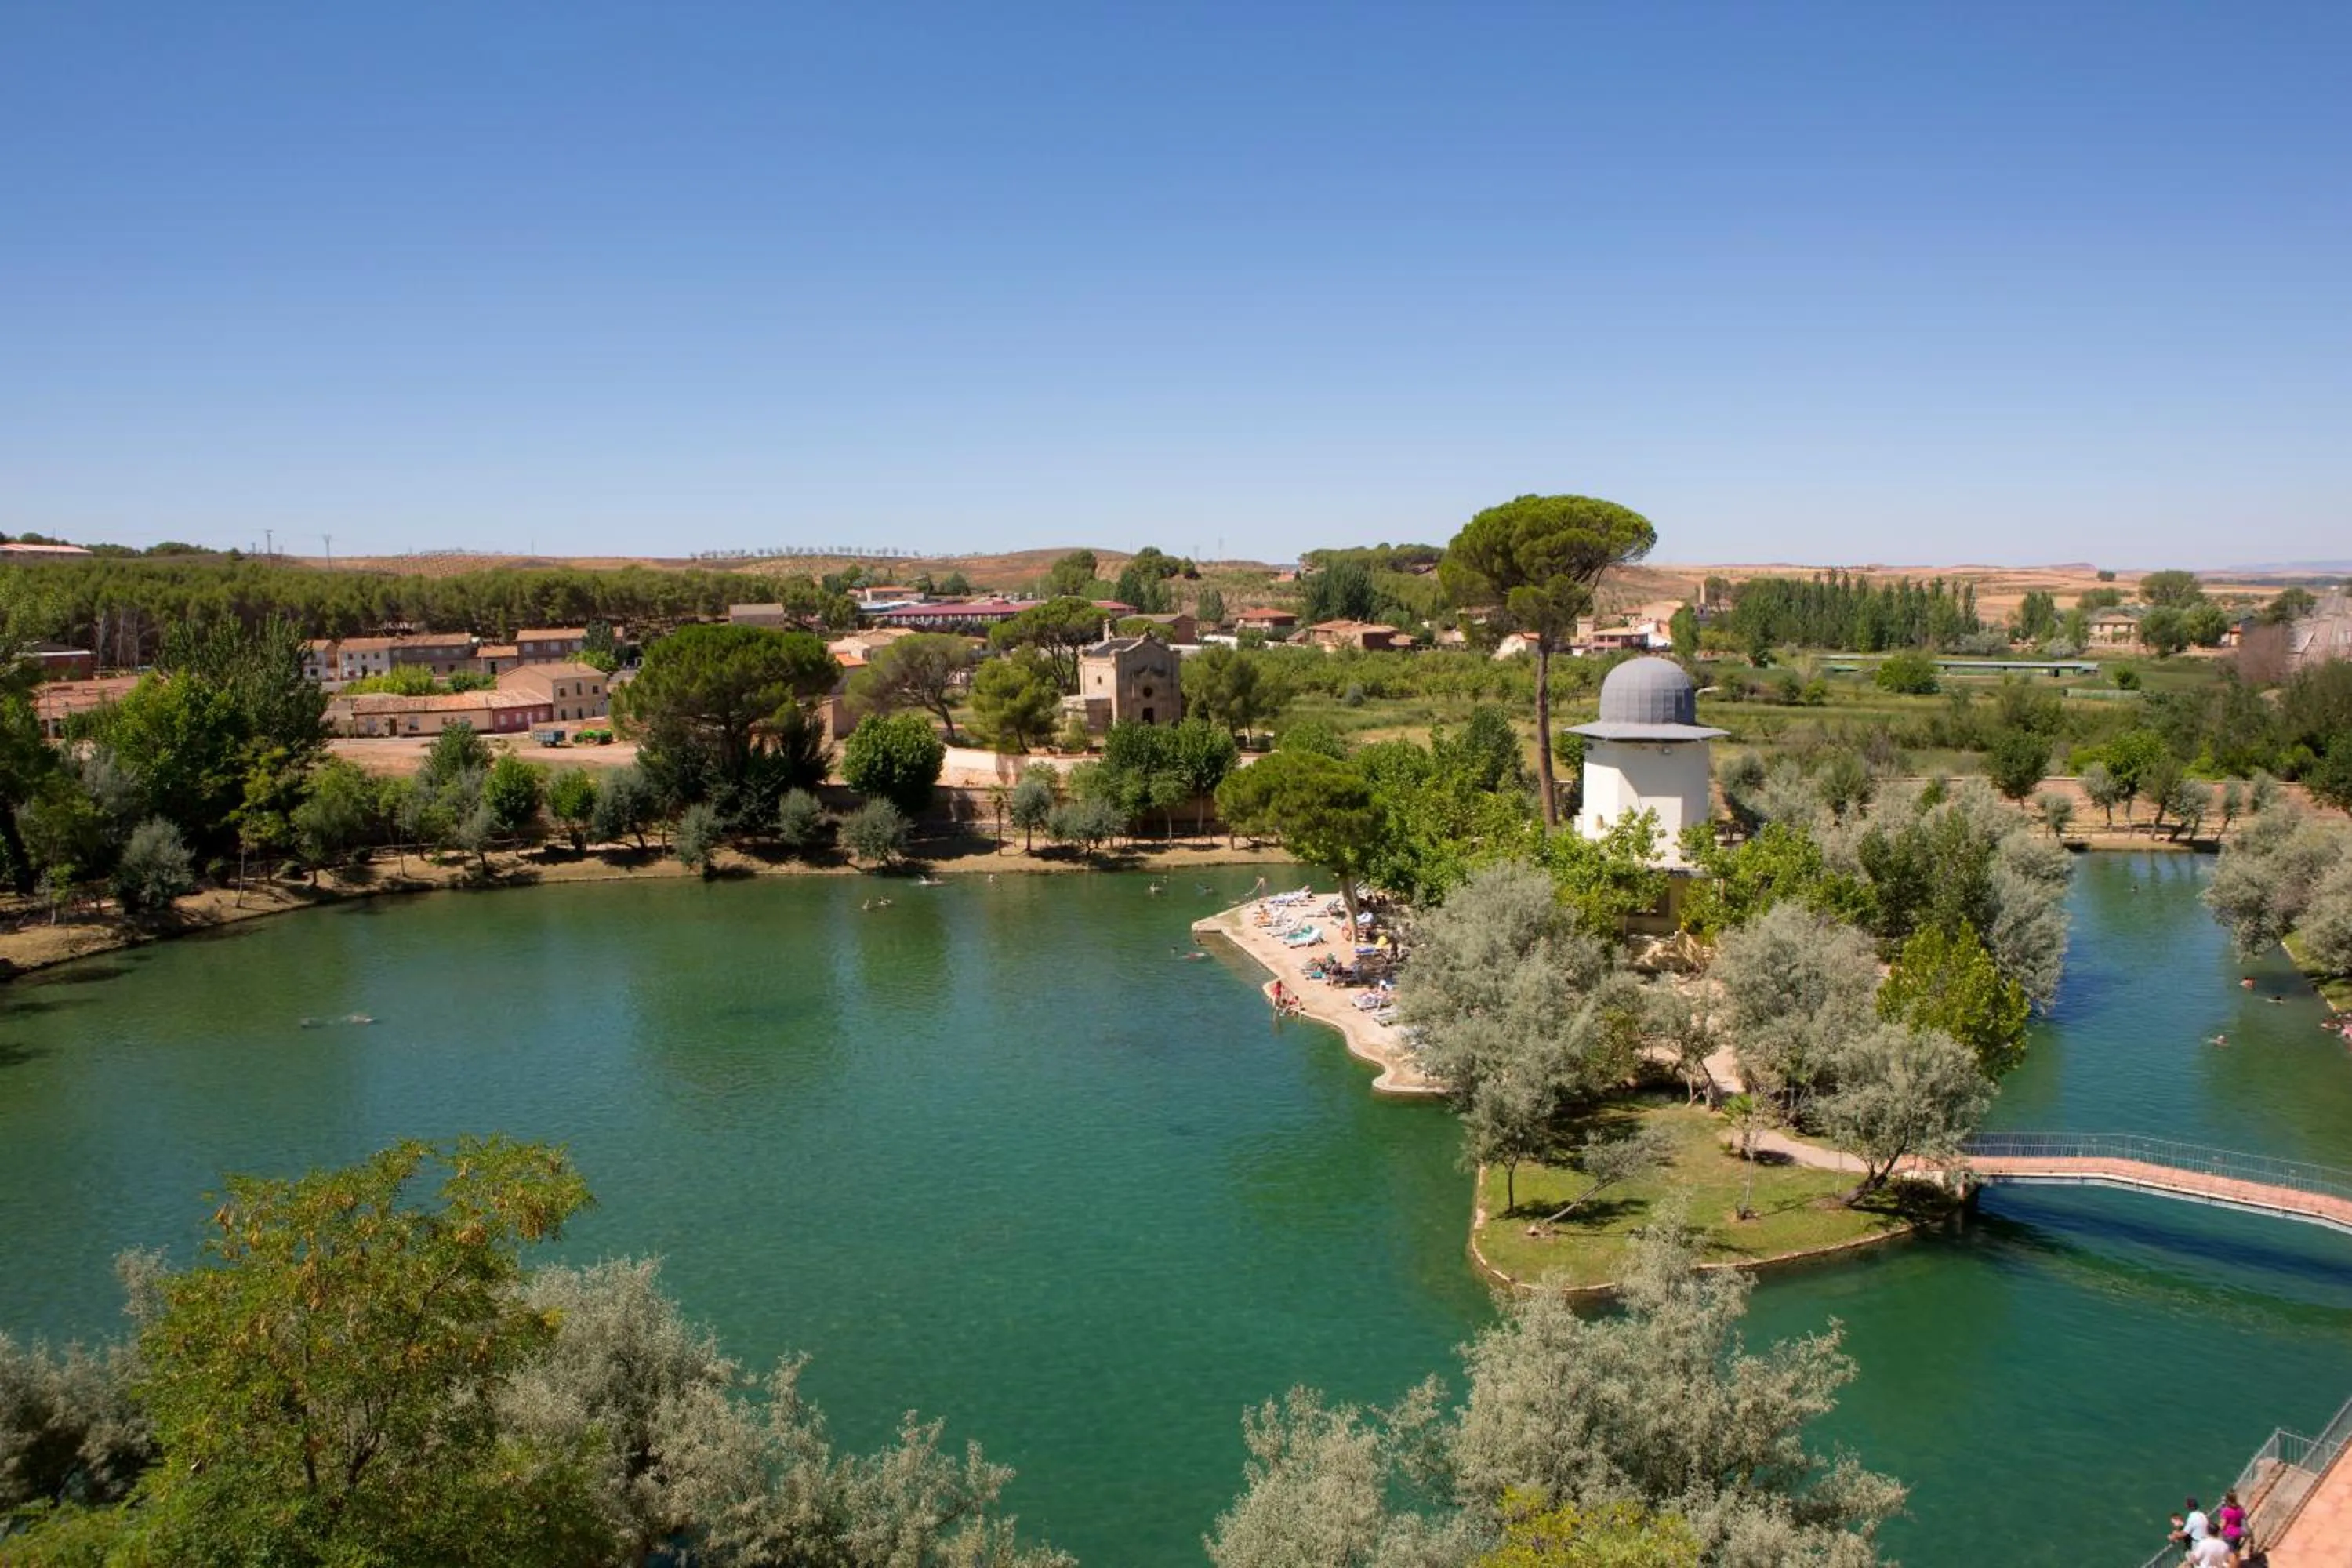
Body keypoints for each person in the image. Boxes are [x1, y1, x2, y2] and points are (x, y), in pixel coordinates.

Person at [2216, 1491, 2247, 1558]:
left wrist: (2217, 1532)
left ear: (2227, 1500)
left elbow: (2223, 1525)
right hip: (2238, 1533)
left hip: (2229, 1534)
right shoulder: (2240, 1509)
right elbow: (2243, 1518)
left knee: (2230, 1553)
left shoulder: (2226, 1511)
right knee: (2236, 1550)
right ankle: (2237, 1563)